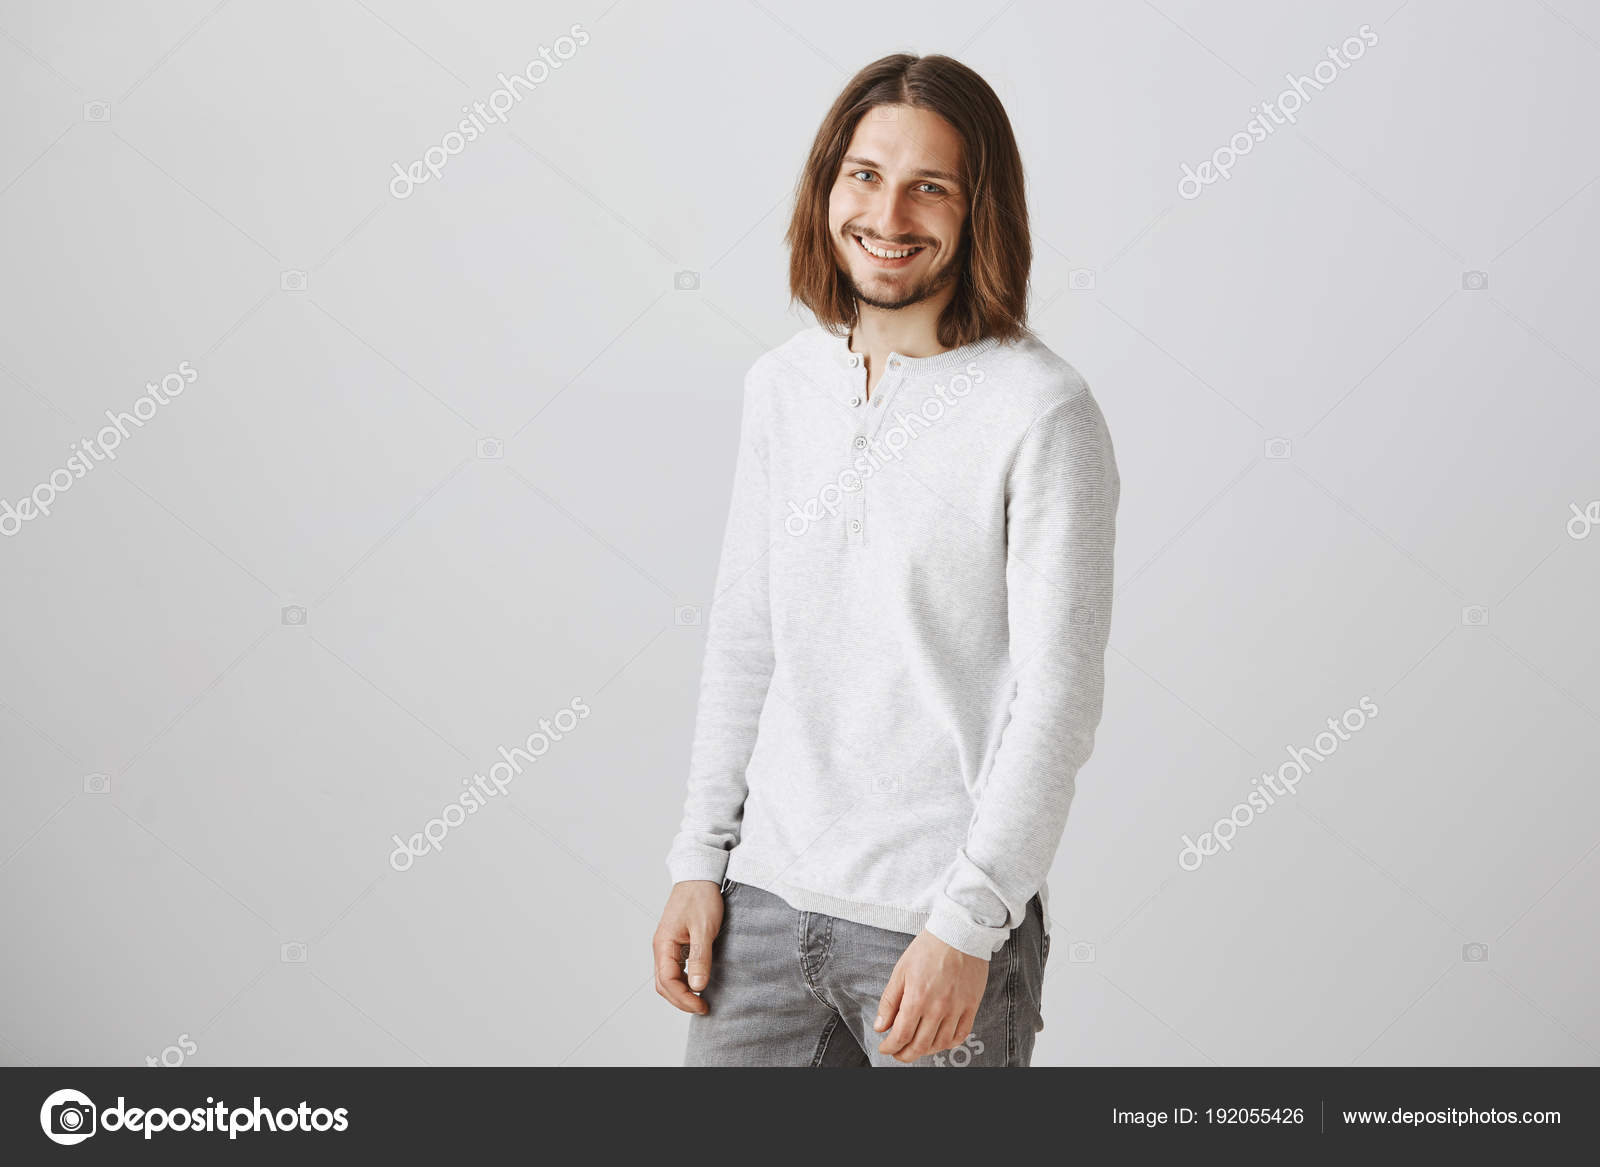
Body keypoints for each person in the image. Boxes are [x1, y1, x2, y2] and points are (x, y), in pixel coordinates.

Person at [654, 52, 1120, 1067]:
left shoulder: (1039, 413)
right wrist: (700, 859)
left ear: (977, 209)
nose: (889, 213)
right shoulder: (783, 387)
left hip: (933, 926)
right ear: (828, 184)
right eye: (864, 174)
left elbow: (1057, 701)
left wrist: (966, 924)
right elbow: (745, 640)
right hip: (761, 911)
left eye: (930, 186)